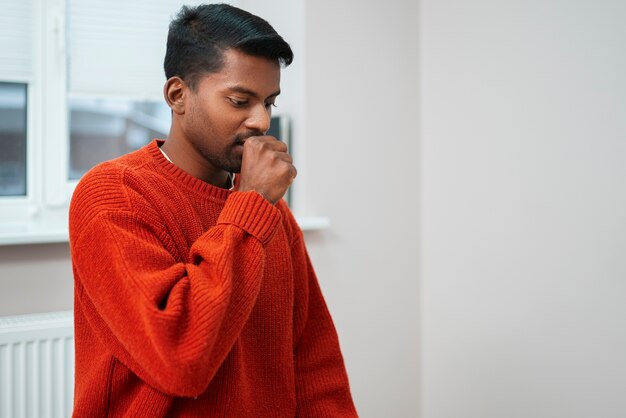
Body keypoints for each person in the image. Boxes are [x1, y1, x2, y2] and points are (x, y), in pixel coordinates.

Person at [68, 3, 357, 417]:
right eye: (240, 101)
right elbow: (179, 358)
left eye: (269, 102)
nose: (261, 121)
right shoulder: (112, 194)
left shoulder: (269, 215)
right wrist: (252, 204)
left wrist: (254, 205)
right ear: (177, 95)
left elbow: (314, 365)